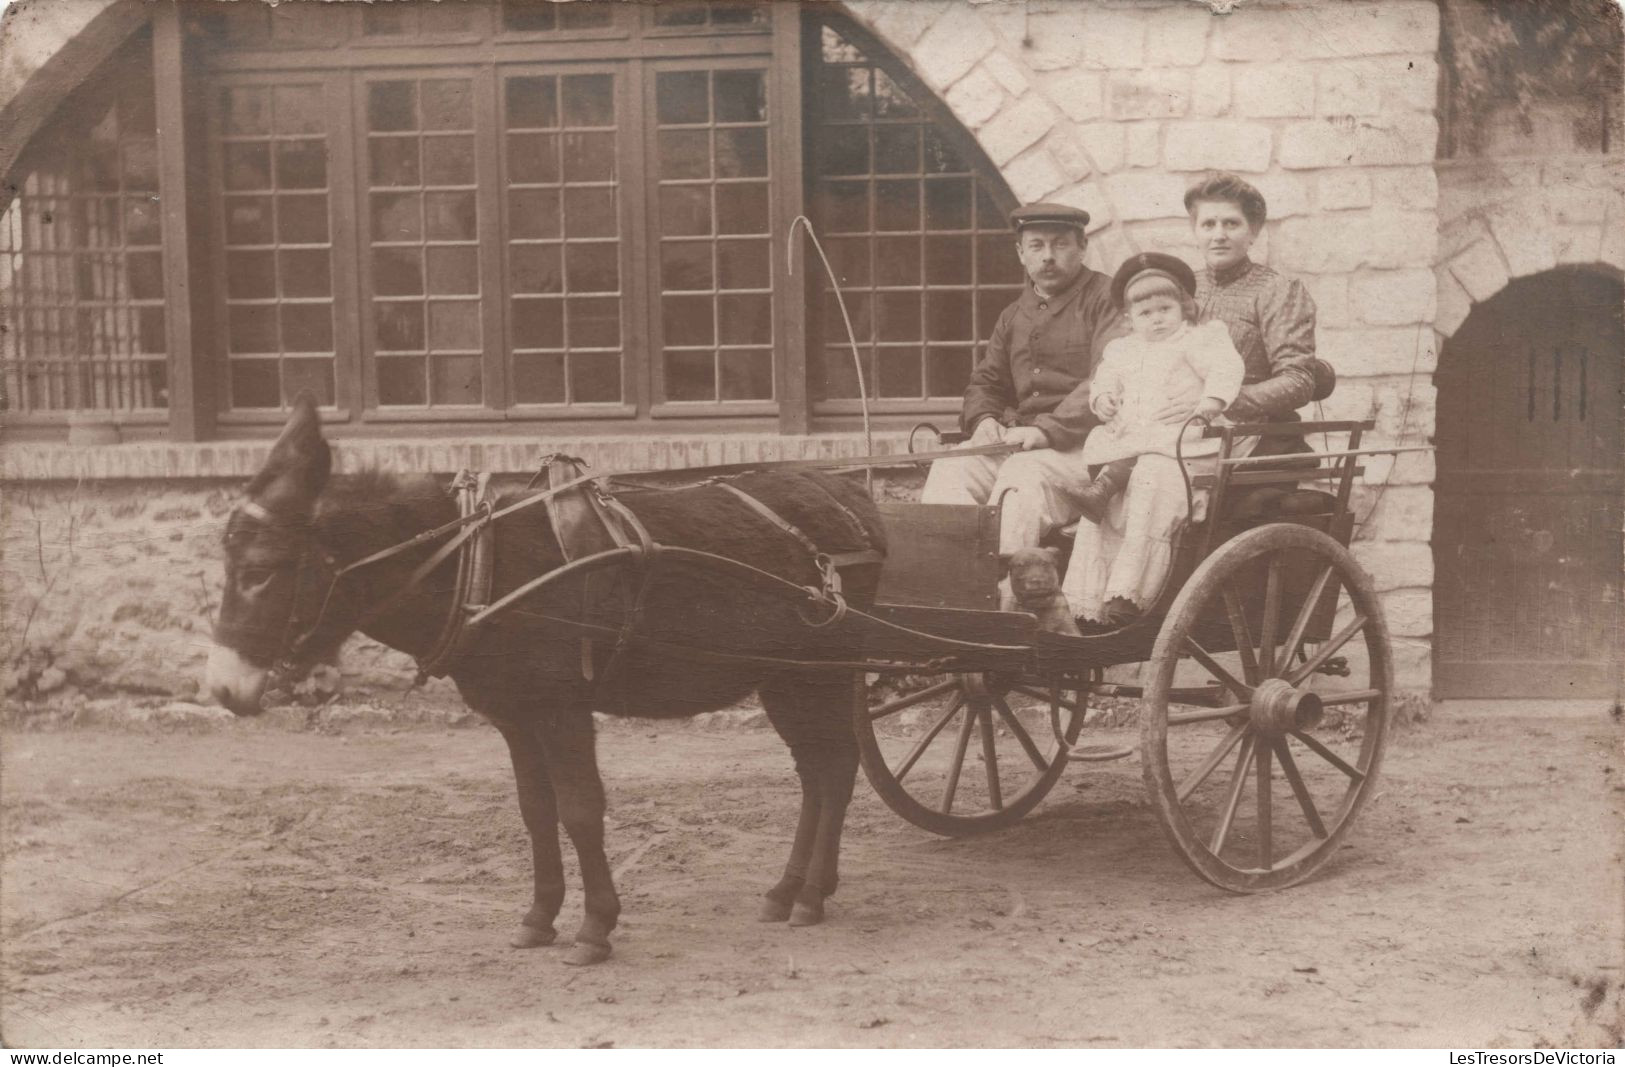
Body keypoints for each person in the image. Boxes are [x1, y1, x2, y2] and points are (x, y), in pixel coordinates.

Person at [1060, 174, 1326, 627]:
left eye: (1232, 223)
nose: (1219, 234)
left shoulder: (1277, 291)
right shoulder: (1175, 287)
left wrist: (1221, 403)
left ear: (1253, 231)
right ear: (1195, 229)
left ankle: (1132, 594)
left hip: (1243, 435)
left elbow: (1300, 379)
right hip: (1160, 430)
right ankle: (1085, 598)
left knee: (1155, 472)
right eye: (1208, 224)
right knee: (1117, 474)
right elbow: (1129, 356)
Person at [920, 202, 1126, 557]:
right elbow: (986, 381)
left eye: (1060, 244)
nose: (1048, 256)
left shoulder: (1107, 299)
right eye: (1036, 246)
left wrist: (1047, 430)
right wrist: (984, 420)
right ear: (1020, 253)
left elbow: (1108, 376)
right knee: (951, 469)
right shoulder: (1014, 314)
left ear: (1082, 247)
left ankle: (1001, 591)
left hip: (1088, 448)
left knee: (1021, 479)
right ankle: (946, 585)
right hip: (1021, 444)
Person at [1074, 254, 1245, 520]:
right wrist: (1104, 398)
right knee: (1108, 441)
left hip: (1180, 429)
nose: (1157, 319)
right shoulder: (1123, 348)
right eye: (1145, 313)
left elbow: (1225, 368)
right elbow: (1105, 377)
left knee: (1147, 452)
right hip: (1135, 429)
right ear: (1129, 319)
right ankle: (1103, 493)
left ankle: (1104, 490)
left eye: (1165, 309)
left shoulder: (1195, 339)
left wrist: (1209, 404)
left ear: (1182, 307)